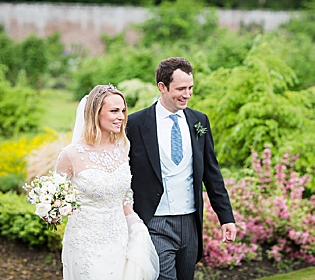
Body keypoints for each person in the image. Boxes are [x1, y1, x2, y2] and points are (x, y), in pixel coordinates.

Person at [127, 57, 237, 280]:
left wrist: (226, 217)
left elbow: (211, 173)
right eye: (180, 88)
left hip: (190, 222)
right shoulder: (136, 124)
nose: (187, 94)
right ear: (162, 87)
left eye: (190, 88)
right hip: (154, 221)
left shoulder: (199, 121)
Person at [55, 84, 159, 279]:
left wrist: (137, 226)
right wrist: (52, 211)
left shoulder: (123, 147)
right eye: (114, 111)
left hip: (119, 241)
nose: (121, 116)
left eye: (123, 111)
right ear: (96, 113)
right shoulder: (70, 154)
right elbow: (57, 200)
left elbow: (125, 198)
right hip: (84, 243)